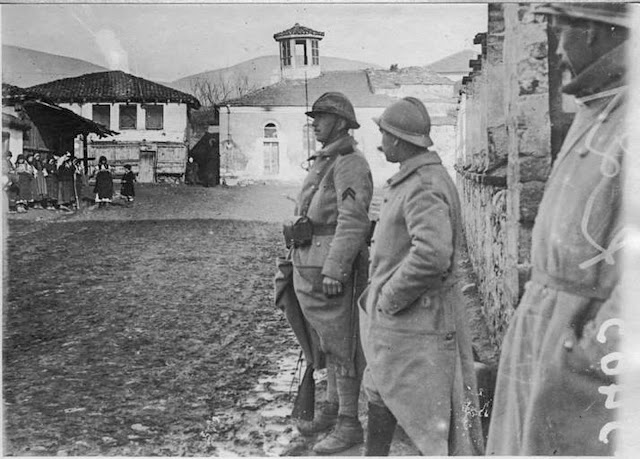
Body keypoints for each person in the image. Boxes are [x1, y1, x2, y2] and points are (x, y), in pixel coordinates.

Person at [486, 3, 629, 455]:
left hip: (580, 364)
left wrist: (588, 356)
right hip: (546, 334)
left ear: (592, 32)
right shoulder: (600, 109)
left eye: (559, 29)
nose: (557, 49)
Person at [360, 97, 484, 456]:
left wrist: (389, 297)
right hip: (407, 322)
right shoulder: (416, 179)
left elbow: (432, 254)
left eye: (383, 133)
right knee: (380, 388)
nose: (381, 140)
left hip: (418, 320)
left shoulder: (424, 184)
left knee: (430, 418)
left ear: (399, 140)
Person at [286, 92, 373, 454]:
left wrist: (337, 268)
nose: (315, 123)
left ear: (338, 122)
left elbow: (352, 221)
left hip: (332, 270)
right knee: (327, 343)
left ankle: (350, 423)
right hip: (310, 265)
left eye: (321, 117)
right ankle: (333, 408)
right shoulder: (326, 160)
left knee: (345, 345)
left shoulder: (350, 163)